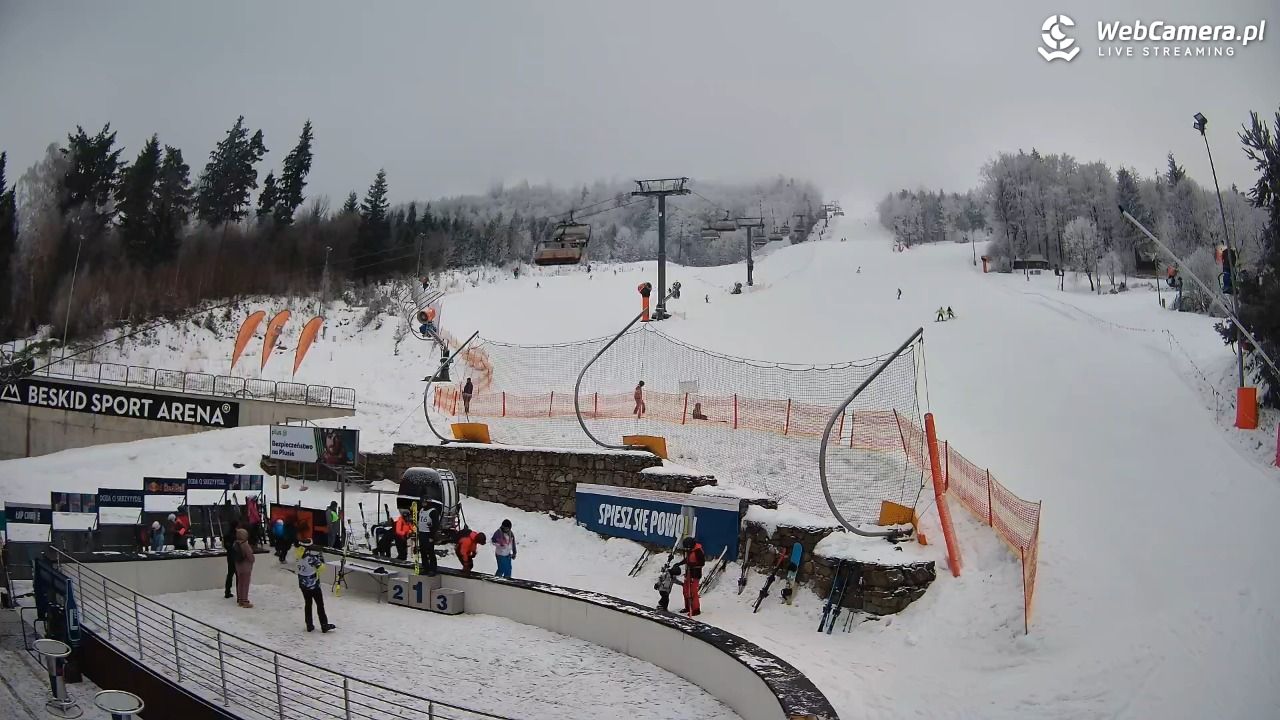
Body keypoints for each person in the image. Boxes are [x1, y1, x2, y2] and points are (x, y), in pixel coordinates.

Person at [296, 539, 336, 633]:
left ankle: (309, 625)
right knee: (320, 605)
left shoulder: (298, 555)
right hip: (313, 585)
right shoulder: (312, 558)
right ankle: (324, 625)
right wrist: (320, 559)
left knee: (308, 604)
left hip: (302, 584)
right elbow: (322, 568)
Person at [671, 537, 705, 617]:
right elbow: (688, 559)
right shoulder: (691, 550)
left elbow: (701, 563)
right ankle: (688, 607)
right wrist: (680, 563)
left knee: (693, 591)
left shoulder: (698, 551)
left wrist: (691, 565)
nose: (687, 549)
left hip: (695, 574)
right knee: (686, 590)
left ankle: (696, 609)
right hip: (688, 573)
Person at [233, 527, 255, 608]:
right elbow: (250, 556)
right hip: (246, 567)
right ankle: (245, 600)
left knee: (240, 583)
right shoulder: (245, 544)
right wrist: (253, 560)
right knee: (245, 584)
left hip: (238, 566)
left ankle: (240, 599)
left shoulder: (235, 544)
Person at [417, 502, 440, 575]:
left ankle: (433, 569)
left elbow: (436, 525)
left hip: (428, 533)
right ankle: (425, 568)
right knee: (423, 551)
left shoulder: (433, 511)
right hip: (421, 533)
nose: (423, 504)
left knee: (430, 551)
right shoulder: (421, 510)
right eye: (422, 502)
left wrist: (431, 536)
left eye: (425, 502)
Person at [223, 520, 240, 599]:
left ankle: (227, 591)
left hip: (230, 556)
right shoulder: (237, 534)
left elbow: (226, 546)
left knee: (230, 574)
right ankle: (239, 593)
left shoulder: (226, 534)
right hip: (237, 556)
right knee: (238, 575)